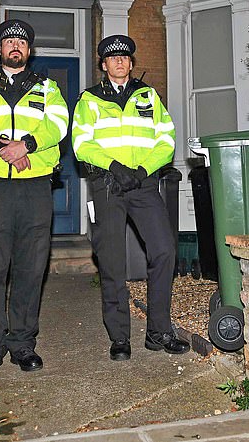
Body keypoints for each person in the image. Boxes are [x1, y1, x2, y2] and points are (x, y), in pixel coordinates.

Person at [0, 19, 69, 377]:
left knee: (30, 267)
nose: (15, 46)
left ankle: (22, 343)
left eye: (21, 42)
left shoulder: (47, 87)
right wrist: (3, 148)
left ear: (29, 50)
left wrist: (27, 146)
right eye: (9, 42)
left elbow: (58, 125)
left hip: (34, 186)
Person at [72, 34, 189, 361]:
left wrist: (142, 170)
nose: (120, 61)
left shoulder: (148, 96)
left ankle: (158, 331)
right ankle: (119, 336)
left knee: (164, 249)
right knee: (111, 260)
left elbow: (166, 139)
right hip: (108, 184)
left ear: (131, 63)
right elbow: (81, 143)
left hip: (142, 183)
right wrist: (114, 167)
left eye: (124, 57)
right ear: (103, 65)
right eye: (113, 58)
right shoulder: (90, 100)